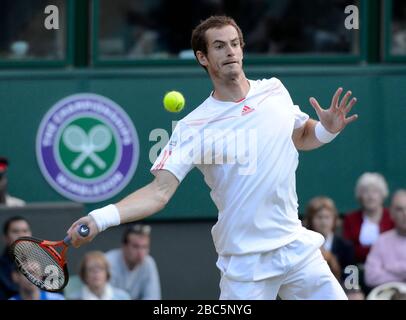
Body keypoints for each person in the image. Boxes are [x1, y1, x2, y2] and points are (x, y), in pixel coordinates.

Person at [67, 15, 358, 300]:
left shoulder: (274, 90)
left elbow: (301, 136)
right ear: (203, 57)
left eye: (235, 43)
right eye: (219, 46)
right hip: (245, 261)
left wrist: (326, 130)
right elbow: (158, 192)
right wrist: (99, 218)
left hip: (296, 246)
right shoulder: (193, 128)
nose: (230, 51)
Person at [343, 173, 394, 264]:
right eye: (366, 192)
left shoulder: (392, 217)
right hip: (358, 268)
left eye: (375, 192)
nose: (370, 196)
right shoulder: (350, 219)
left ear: (382, 195)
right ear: (360, 196)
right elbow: (348, 250)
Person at [304, 196, 355, 283]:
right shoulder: (304, 244)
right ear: (310, 220)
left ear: (334, 220)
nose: (323, 222)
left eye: (327, 217)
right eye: (319, 217)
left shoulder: (346, 246)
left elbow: (351, 280)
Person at [104, 224, 161, 300]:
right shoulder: (107, 261)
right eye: (135, 246)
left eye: (144, 247)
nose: (140, 253)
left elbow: (153, 297)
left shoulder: (149, 263)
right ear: (124, 246)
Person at [364, 190, 406, 288]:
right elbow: (371, 277)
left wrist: (390, 269)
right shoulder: (381, 241)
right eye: (399, 209)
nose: (405, 213)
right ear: (391, 213)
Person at [66, 251, 130, 300]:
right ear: (84, 275)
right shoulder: (72, 298)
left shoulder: (123, 297)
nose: (96, 273)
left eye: (101, 268)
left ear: (107, 273)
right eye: (91, 269)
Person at [0, 216, 31, 300]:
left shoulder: (44, 265)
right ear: (6, 237)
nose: (21, 235)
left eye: (25, 231)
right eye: (15, 231)